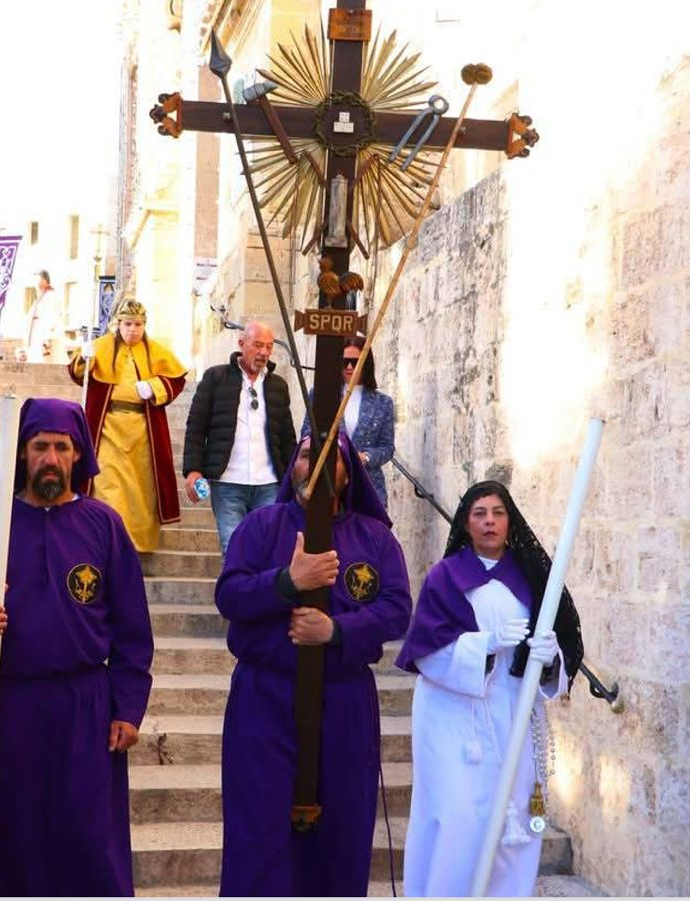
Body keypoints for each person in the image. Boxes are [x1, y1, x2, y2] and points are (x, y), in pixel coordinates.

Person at [0, 397, 153, 895]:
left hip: (87, 710)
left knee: (89, 843)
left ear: (78, 456)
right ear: (20, 454)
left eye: (61, 447)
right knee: (10, 837)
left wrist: (128, 708)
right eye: (39, 447)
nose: (51, 458)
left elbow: (133, 631)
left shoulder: (104, 525)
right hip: (8, 707)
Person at [214, 432, 410, 896]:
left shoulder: (375, 538)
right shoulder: (261, 527)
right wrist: (287, 581)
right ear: (293, 467)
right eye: (305, 455)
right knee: (258, 833)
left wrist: (336, 632)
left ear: (349, 474)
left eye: (330, 459)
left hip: (343, 704)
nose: (316, 466)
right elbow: (229, 595)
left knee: (341, 835)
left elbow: (398, 608)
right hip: (265, 699)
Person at [396, 481, 583, 897]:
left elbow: (556, 652)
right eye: (480, 513)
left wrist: (549, 657)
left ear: (509, 520)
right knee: (457, 820)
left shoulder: (533, 578)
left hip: (512, 714)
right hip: (453, 721)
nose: (490, 522)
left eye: (498, 513)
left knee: (514, 827)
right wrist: (486, 643)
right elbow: (427, 655)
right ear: (467, 522)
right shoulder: (445, 577)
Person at [68, 297, 189, 552]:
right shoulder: (100, 346)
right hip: (108, 427)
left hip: (143, 431)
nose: (132, 330)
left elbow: (176, 379)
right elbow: (80, 375)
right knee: (106, 485)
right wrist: (83, 359)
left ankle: (136, 544)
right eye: (127, 324)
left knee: (140, 491)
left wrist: (154, 387)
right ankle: (104, 540)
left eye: (137, 324)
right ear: (118, 324)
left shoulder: (156, 351)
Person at [182, 321, 297, 552]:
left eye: (269, 347)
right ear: (242, 344)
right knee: (233, 549)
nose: (264, 352)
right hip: (227, 484)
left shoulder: (278, 386)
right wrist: (193, 471)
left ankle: (261, 590)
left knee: (267, 550)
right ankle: (232, 589)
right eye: (258, 345)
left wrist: (294, 477)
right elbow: (197, 426)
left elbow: (287, 436)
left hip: (269, 484)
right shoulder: (216, 378)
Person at [302, 337, 396, 510]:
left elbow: (387, 447)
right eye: (345, 362)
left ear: (366, 363)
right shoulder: (320, 395)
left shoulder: (383, 403)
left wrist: (366, 457)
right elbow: (307, 433)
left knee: (368, 535)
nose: (349, 368)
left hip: (367, 484)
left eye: (355, 362)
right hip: (329, 481)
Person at [20, 270, 67, 363]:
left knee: (41, 359)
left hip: (43, 333)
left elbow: (53, 316)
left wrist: (47, 335)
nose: (36, 283)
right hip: (35, 332)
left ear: (44, 280)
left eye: (39, 279)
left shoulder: (51, 295)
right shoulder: (40, 295)